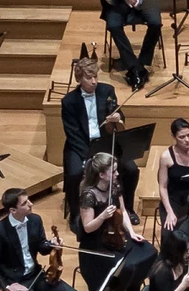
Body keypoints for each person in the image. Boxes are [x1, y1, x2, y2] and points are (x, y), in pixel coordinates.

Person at [60, 56, 139, 217]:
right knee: (75, 173)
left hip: (106, 141)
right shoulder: (69, 101)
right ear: (79, 78)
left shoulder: (107, 90)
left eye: (95, 76)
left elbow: (116, 111)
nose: (94, 81)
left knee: (131, 169)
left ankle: (128, 209)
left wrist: (118, 117)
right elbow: (73, 134)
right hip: (81, 145)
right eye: (89, 78)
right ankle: (76, 215)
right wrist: (91, 156)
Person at [74, 152, 152, 291]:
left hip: (116, 235)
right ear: (102, 174)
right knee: (127, 266)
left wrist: (132, 232)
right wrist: (102, 216)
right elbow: (88, 227)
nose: (117, 174)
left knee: (149, 253)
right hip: (96, 243)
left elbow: (123, 211)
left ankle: (129, 288)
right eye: (114, 171)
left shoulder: (114, 187)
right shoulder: (88, 195)